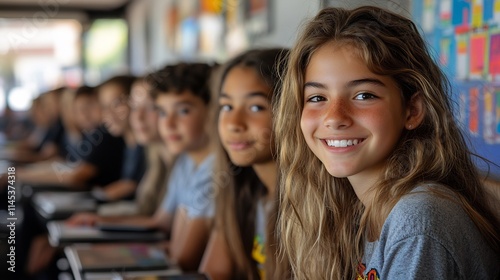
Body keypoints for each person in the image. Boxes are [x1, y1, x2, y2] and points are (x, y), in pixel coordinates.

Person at [274, 6, 500, 279]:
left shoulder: (416, 220)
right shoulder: (357, 210)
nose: (334, 118)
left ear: (413, 110)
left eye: (364, 95)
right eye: (317, 98)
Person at [67, 62, 216, 272]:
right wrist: (100, 226)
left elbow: (183, 260)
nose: (169, 123)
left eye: (183, 110)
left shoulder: (212, 172)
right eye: (163, 112)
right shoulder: (186, 162)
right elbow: (161, 223)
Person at [198, 49, 289, 280]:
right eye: (226, 107)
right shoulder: (243, 192)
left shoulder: (310, 208)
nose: (234, 124)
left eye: (256, 107)